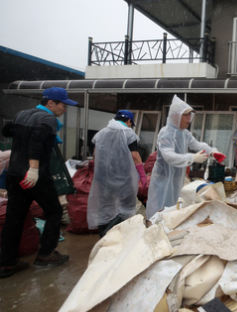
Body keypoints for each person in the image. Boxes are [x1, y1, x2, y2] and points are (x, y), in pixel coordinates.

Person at [0, 87, 77, 278]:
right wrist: (33, 169)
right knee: (54, 211)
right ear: (50, 103)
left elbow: (7, 130)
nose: (64, 109)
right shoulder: (47, 119)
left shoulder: (23, 114)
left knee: (14, 218)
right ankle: (46, 254)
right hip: (35, 176)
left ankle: (6, 263)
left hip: (14, 174)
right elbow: (37, 140)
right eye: (62, 105)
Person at [146, 95, 225, 219]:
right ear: (176, 116)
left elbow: (197, 145)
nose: (189, 119)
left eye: (190, 115)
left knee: (172, 211)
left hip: (176, 179)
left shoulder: (184, 134)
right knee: (158, 211)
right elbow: (169, 156)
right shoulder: (166, 133)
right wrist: (192, 158)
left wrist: (212, 151)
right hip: (162, 180)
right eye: (186, 115)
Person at [87, 110, 147, 237]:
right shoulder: (128, 133)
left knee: (106, 207)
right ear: (129, 121)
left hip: (104, 179)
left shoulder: (101, 133)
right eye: (131, 123)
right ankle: (117, 234)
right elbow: (135, 156)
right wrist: (142, 175)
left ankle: (104, 235)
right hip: (122, 179)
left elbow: (95, 155)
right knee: (125, 207)